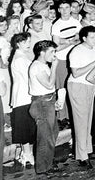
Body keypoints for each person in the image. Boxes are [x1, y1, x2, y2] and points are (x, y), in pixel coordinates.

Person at [67, 26, 95, 168]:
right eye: (92, 37)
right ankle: (82, 156)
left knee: (88, 121)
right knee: (81, 121)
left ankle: (87, 150)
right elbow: (76, 73)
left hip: (91, 86)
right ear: (84, 38)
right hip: (78, 86)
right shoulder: (76, 51)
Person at [28, 40, 60, 175]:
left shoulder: (43, 65)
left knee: (53, 133)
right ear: (42, 53)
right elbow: (48, 84)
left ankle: (48, 162)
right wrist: (54, 67)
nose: (54, 55)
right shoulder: (37, 67)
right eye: (52, 51)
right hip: (41, 104)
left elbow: (50, 87)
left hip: (48, 101)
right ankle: (43, 168)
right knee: (45, 137)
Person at [10, 32, 36, 167]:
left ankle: (27, 153)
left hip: (27, 96)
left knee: (30, 125)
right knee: (24, 126)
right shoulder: (20, 59)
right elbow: (28, 78)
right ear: (18, 43)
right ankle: (27, 154)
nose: (28, 44)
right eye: (25, 42)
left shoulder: (23, 56)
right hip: (23, 96)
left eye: (29, 42)